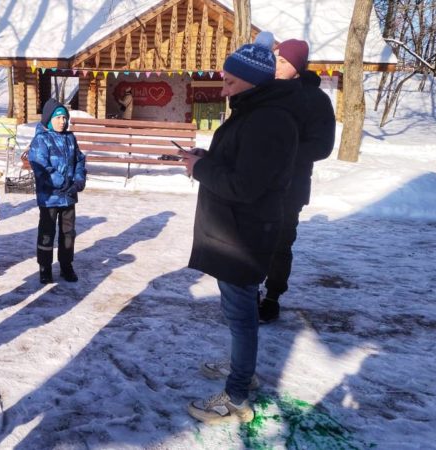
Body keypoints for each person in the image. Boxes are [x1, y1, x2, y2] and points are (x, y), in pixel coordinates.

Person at [181, 31, 302, 424]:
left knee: (241, 313)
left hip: (244, 235)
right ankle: (241, 370)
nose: (224, 85)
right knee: (238, 312)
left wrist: (201, 168)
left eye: (231, 80)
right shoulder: (253, 111)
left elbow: (244, 185)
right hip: (235, 231)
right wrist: (206, 157)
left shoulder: (268, 120)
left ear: (253, 80)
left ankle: (235, 395)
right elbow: (239, 166)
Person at [257, 39, 336, 323]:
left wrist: (283, 152)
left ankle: (272, 297)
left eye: (285, 62)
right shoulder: (263, 92)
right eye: (277, 60)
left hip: (291, 187)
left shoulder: (315, 100)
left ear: (298, 67)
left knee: (280, 244)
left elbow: (322, 147)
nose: (278, 66)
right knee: (252, 239)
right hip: (256, 183)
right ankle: (251, 289)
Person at [28, 99, 86, 284]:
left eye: (64, 117)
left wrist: (78, 179)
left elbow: (79, 160)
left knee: (68, 232)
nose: (62, 121)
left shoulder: (70, 138)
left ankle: (66, 265)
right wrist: (62, 182)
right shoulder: (41, 139)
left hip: (69, 196)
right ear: (49, 119)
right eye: (58, 117)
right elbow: (41, 167)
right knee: (47, 232)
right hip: (50, 197)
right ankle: (45, 267)